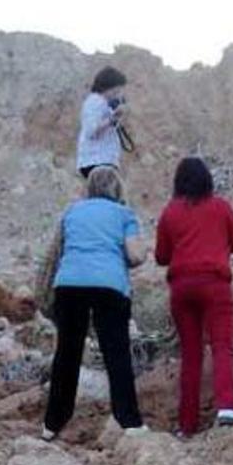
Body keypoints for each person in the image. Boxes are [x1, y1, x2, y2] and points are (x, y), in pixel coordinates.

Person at [42, 166, 147, 440]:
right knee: (117, 353)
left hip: (69, 284)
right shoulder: (124, 214)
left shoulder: (72, 212)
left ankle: (52, 423)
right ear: (118, 188)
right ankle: (129, 421)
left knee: (67, 353)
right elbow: (136, 255)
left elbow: (59, 250)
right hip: (109, 285)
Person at [155, 157, 233, 437]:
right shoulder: (220, 207)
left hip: (182, 287)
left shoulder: (170, 212)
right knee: (221, 345)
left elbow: (161, 256)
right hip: (215, 283)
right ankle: (227, 406)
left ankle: (187, 424)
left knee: (190, 355)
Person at [76, 66, 129, 178]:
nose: (117, 94)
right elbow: (91, 130)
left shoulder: (104, 104)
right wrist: (112, 118)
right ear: (107, 87)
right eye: (116, 91)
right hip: (97, 160)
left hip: (103, 160)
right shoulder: (95, 102)